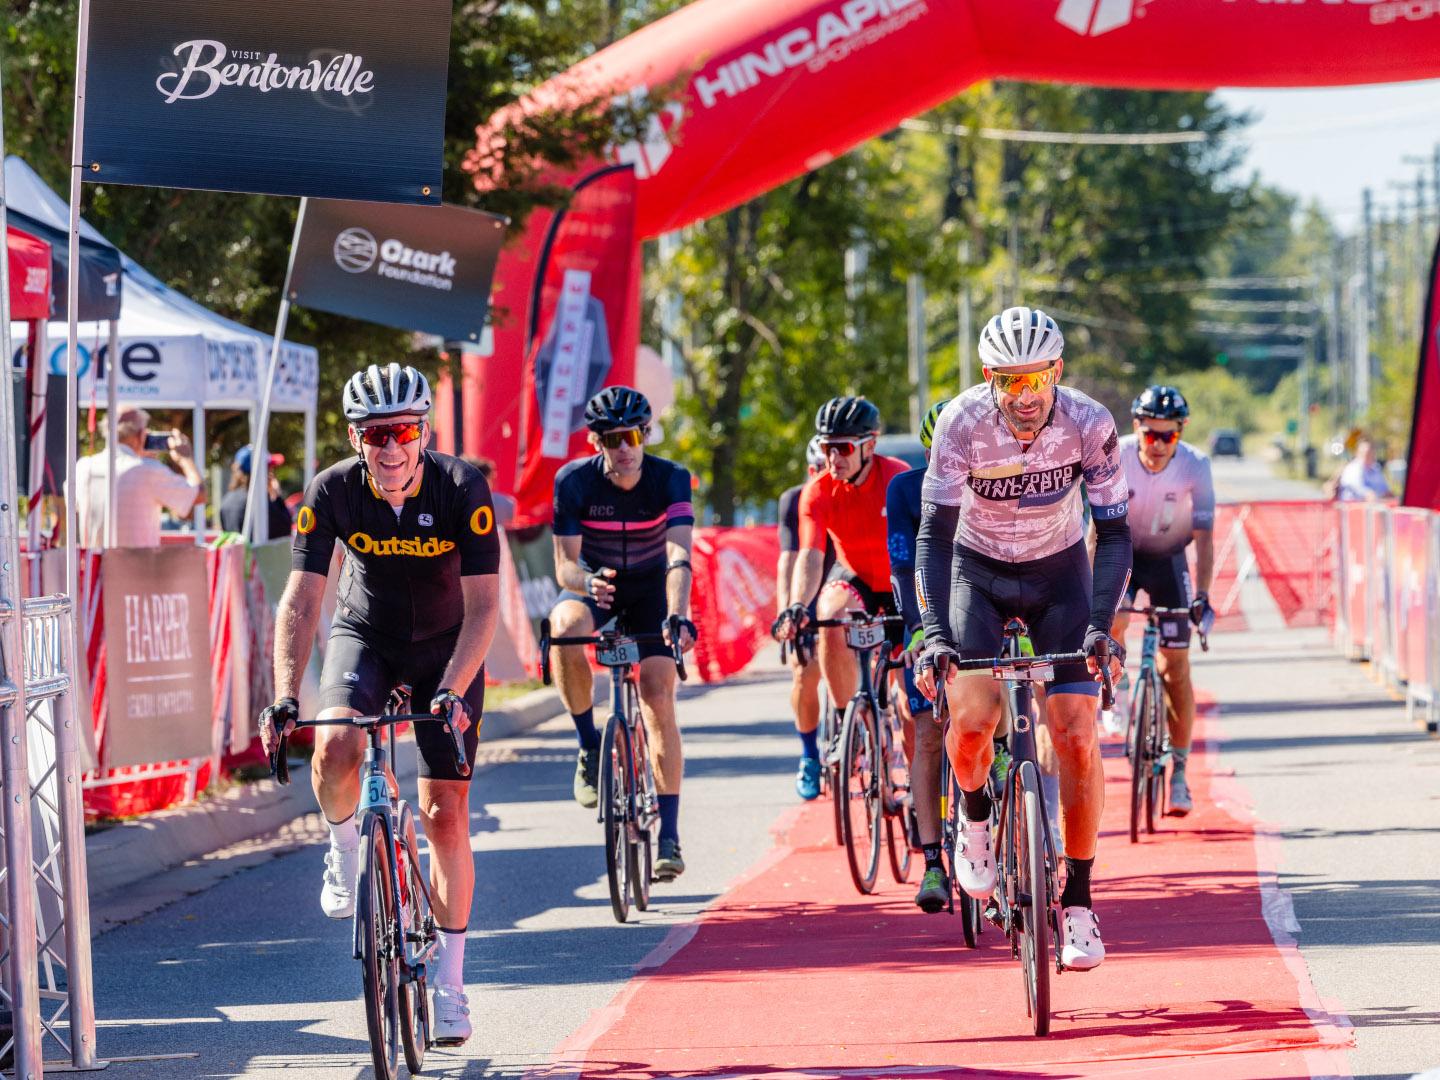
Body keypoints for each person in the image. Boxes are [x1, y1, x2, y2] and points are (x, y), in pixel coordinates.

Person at [258, 363, 500, 1047]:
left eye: (403, 431)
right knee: (334, 745)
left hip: (447, 648)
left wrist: (454, 685)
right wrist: (283, 693)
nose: (391, 448)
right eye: (375, 434)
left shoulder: (461, 488)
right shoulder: (331, 490)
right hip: (363, 636)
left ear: (422, 431)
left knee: (443, 815)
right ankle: (342, 849)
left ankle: (450, 987)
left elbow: (484, 606)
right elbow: (303, 599)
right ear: (354, 437)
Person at [913, 306, 1130, 972]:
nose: (1025, 397)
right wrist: (935, 634)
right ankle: (975, 819)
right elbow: (933, 538)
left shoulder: (1090, 423)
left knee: (1075, 733)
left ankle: (1081, 901)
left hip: (1060, 573)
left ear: (1057, 371)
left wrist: (1099, 624)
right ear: (989, 379)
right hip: (976, 572)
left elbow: (1116, 533)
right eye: (1009, 382)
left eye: (1036, 379)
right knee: (973, 720)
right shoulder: (961, 424)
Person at [547, 386, 697, 880]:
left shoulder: (670, 478)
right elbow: (564, 567)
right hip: (599, 584)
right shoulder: (573, 482)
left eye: (633, 436)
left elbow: (678, 556)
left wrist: (677, 614)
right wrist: (586, 581)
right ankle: (590, 744)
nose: (625, 447)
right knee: (563, 626)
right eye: (613, 439)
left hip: (653, 590)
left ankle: (670, 836)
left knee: (656, 694)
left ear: (647, 434)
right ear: (597, 443)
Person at [777, 397, 909, 744]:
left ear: (870, 444)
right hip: (855, 576)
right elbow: (809, 556)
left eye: (844, 447)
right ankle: (848, 720)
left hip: (901, 581)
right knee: (830, 615)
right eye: (827, 447)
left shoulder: (896, 477)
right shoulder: (817, 491)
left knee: (914, 716)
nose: (833, 457)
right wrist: (795, 605)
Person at [1109, 386, 1214, 815]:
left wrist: (1203, 596)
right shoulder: (1115, 453)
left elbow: (1205, 540)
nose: (1156, 445)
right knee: (1112, 618)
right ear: (1137, 428)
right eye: (1150, 435)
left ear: (1180, 433)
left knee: (1177, 668)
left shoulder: (1196, 465)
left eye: (1167, 436)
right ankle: (1119, 683)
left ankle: (1181, 774)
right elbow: (1096, 531)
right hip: (1124, 553)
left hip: (1170, 560)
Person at [886, 398, 952, 913]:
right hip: (927, 617)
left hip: (985, 611)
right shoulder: (906, 490)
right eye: (939, 454)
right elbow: (904, 569)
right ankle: (932, 862)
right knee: (928, 734)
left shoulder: (989, 482)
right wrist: (916, 630)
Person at [773, 436, 836, 800]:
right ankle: (810, 754)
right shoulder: (793, 500)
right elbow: (788, 559)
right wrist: (787, 611)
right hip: (807, 587)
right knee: (805, 670)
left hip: (843, 577)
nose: (819, 477)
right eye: (814, 470)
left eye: (823, 470)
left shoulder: (846, 492)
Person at [73, 406, 204, 548]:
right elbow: (199, 494)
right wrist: (186, 459)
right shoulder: (147, 470)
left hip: (93, 567)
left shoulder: (83, 467)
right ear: (141, 435)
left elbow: (75, 507)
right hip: (137, 567)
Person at [218, 445, 293, 538]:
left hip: (238, 552)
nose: (272, 473)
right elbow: (283, 531)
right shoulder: (262, 503)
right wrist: (277, 496)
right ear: (261, 471)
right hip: (256, 552)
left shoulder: (227, 500)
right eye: (269, 469)